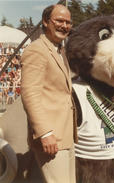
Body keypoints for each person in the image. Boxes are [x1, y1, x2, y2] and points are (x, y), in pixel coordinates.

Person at [21, 4, 76, 183]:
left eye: (68, 22)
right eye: (59, 20)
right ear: (45, 22)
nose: (64, 25)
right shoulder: (36, 50)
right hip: (52, 138)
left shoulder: (59, 51)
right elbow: (30, 93)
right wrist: (45, 133)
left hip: (65, 136)